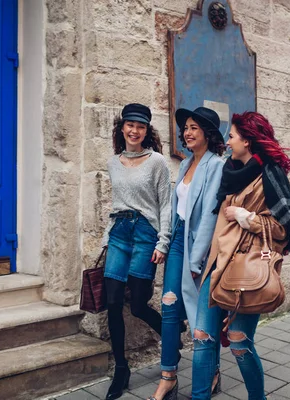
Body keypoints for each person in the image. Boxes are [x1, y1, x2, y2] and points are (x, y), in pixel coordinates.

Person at [191, 112, 290, 400]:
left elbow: (284, 228)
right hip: (218, 264)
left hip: (249, 266)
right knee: (202, 338)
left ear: (247, 140)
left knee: (239, 341)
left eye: (232, 136)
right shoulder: (229, 173)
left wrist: (247, 217)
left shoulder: (271, 174)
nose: (228, 142)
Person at [149, 107, 225, 400]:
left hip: (200, 246)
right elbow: (175, 209)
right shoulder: (184, 164)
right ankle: (168, 377)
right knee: (168, 306)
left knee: (203, 313)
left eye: (194, 127)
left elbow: (209, 214)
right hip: (179, 238)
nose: (187, 133)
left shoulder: (215, 165)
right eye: (186, 128)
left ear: (207, 133)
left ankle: (212, 370)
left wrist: (196, 259)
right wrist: (165, 243)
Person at [101, 103, 172, 400]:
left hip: (145, 234)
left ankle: (171, 335)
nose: (134, 130)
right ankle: (121, 369)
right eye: (130, 124)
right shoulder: (113, 161)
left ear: (147, 131)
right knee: (113, 303)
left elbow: (167, 204)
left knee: (140, 304)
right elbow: (116, 202)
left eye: (140, 126)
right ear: (122, 128)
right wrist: (107, 238)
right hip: (118, 233)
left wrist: (163, 242)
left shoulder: (156, 161)